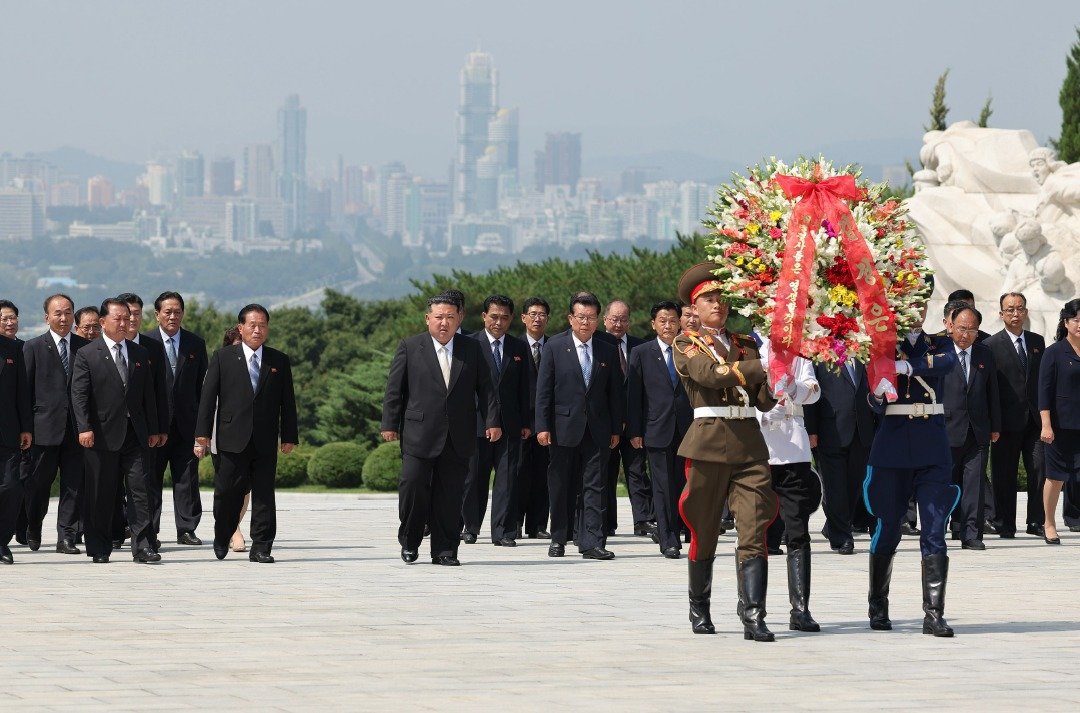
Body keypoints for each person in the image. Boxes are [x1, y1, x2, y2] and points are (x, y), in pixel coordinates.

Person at [672, 262, 778, 641]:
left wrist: (782, 373)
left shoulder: (745, 343)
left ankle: (753, 614)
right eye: (708, 299)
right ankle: (698, 605)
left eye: (720, 298)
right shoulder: (685, 343)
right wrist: (760, 366)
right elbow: (708, 376)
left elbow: (763, 401)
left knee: (754, 528)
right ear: (694, 308)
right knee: (704, 530)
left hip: (749, 442)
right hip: (709, 442)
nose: (717, 304)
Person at [863, 292, 960, 637]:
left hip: (931, 447)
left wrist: (905, 367)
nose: (915, 310)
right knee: (888, 527)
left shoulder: (939, 343)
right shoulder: (881, 345)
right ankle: (878, 603)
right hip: (892, 447)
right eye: (908, 302)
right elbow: (874, 404)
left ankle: (934, 613)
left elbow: (948, 363)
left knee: (934, 529)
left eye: (920, 302)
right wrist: (878, 390)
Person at [381, 294, 500, 566]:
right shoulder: (410, 347)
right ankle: (410, 541)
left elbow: (487, 389)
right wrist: (389, 423)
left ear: (459, 318)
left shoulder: (472, 348)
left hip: (458, 434)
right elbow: (394, 389)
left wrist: (492, 421)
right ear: (428, 319)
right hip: (418, 433)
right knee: (412, 488)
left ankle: (445, 550)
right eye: (438, 317)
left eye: (450, 317)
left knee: (450, 495)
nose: (444, 323)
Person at [195, 304, 297, 563]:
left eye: (262, 325)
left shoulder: (279, 360)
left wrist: (288, 435)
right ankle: (222, 533)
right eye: (252, 325)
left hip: (264, 439)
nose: (257, 329)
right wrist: (202, 434)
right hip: (231, 437)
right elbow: (208, 399)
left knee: (264, 494)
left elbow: (288, 401)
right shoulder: (223, 357)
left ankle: (262, 546)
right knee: (227, 491)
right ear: (241, 328)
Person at [70, 298, 161, 564]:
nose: (125, 323)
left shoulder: (140, 354)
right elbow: (79, 395)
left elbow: (149, 396)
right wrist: (84, 427)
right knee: (101, 492)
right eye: (118, 318)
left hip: (136, 433)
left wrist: (153, 429)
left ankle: (143, 545)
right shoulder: (88, 354)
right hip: (100, 434)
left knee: (140, 490)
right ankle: (99, 546)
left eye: (128, 318)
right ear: (102, 322)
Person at [535, 292, 622, 561]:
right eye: (580, 317)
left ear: (598, 320)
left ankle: (592, 542)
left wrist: (616, 428)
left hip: (598, 428)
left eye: (591, 317)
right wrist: (542, 425)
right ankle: (559, 537)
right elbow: (544, 391)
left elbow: (616, 392)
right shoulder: (555, 347)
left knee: (595, 486)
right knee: (561, 484)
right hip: (562, 428)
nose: (585, 322)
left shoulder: (608, 347)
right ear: (571, 318)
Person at [755, 338, 822, 632]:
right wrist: (763, 413)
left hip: (793, 449)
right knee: (753, 531)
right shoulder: (750, 350)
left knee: (797, 531)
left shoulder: (799, 352)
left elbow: (813, 390)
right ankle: (752, 604)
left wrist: (795, 389)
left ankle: (800, 608)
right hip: (758, 449)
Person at [19, 294, 89, 554]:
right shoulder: (33, 347)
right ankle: (33, 526)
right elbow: (24, 392)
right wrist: (25, 428)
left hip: (77, 430)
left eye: (68, 312)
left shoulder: (85, 347)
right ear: (46, 317)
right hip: (43, 430)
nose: (63, 318)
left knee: (74, 485)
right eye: (58, 313)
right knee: (38, 484)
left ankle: (66, 537)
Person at [460, 295, 531, 547]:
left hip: (511, 425)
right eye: (494, 317)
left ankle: (503, 531)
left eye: (504, 317)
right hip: (476, 424)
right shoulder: (469, 344)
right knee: (473, 479)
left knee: (507, 479)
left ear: (512, 318)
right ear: (484, 317)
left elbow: (526, 388)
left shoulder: (519, 347)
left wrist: (526, 422)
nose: (498, 322)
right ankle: (470, 526)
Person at [141, 292, 208, 547]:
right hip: (155, 426)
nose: (172, 316)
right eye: (167, 311)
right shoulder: (145, 342)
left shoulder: (195, 343)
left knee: (187, 478)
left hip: (186, 424)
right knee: (150, 479)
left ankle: (187, 529)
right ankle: (150, 529)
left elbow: (203, 388)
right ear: (157, 314)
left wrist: (203, 429)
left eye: (177, 311)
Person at [627, 300, 693, 558]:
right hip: (657, 429)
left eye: (673, 320)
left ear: (680, 322)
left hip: (688, 429)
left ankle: (685, 530)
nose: (668, 325)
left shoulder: (690, 350)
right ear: (653, 324)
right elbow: (634, 396)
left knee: (685, 483)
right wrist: (635, 431)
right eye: (662, 321)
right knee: (663, 486)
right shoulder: (642, 353)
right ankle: (668, 539)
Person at [985, 292, 1046, 538]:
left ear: (1026, 312)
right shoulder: (990, 346)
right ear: (1001, 314)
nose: (1015, 313)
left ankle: (1035, 521)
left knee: (1039, 469)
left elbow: (1041, 381)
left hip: (1034, 421)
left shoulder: (1037, 342)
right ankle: (1005, 523)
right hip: (1005, 422)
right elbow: (990, 388)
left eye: (1019, 308)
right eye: (1009, 309)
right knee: (1003, 474)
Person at [942, 305, 1001, 550]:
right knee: (942, 484)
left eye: (972, 330)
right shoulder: (939, 352)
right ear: (950, 326)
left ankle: (971, 534)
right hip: (944, 430)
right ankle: (939, 529)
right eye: (962, 328)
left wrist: (995, 426)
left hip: (977, 431)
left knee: (974, 484)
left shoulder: (984, 354)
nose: (966, 334)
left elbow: (992, 393)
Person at [805, 356, 875, 555]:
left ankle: (834, 525)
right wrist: (811, 430)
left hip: (861, 431)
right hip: (831, 430)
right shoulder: (821, 358)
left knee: (853, 486)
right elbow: (812, 397)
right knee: (835, 487)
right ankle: (842, 537)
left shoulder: (864, 355)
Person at [600, 299, 653, 537]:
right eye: (614, 319)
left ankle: (643, 519)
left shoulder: (640, 347)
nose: (618, 324)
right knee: (605, 473)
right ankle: (605, 521)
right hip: (605, 423)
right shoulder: (596, 344)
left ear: (629, 322)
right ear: (604, 320)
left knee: (637, 471)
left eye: (623, 319)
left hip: (634, 423)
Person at [1038, 298, 1080, 544]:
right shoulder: (1053, 352)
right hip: (1060, 425)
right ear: (1066, 322)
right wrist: (1046, 424)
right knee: (1056, 477)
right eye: (1076, 320)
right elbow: (1044, 391)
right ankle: (1049, 523)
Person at [517, 297, 551, 539]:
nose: (537, 318)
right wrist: (522, 422)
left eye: (542, 315)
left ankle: (538, 525)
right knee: (518, 475)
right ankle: (515, 522)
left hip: (547, 424)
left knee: (543, 475)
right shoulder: (513, 346)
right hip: (520, 424)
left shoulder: (556, 346)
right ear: (523, 318)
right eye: (533, 314)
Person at [0, 332, 32, 565]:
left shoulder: (12, 349)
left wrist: (26, 428)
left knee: (12, 487)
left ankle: (2, 541)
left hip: (7, 432)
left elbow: (22, 391)